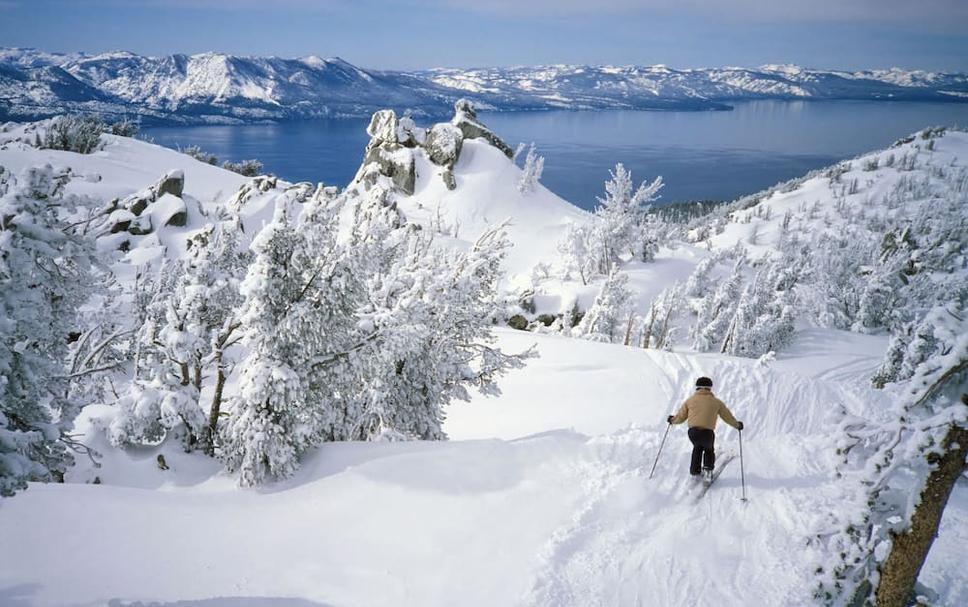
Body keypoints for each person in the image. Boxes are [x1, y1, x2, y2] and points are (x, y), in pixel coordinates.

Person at [667, 376, 743, 481]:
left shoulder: (690, 401)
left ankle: (695, 472)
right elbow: (727, 417)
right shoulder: (716, 402)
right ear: (709, 388)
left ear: (697, 388)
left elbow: (680, 417)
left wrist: (672, 420)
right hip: (707, 433)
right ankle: (708, 472)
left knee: (697, 448)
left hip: (693, 432)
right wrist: (737, 425)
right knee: (709, 449)